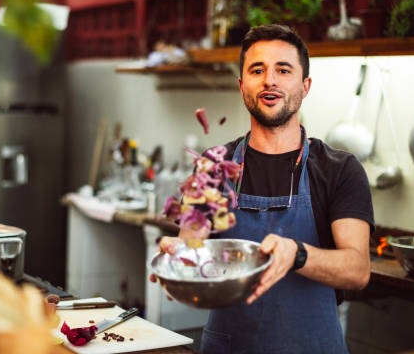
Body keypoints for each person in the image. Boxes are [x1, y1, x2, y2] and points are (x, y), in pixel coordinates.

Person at [152, 24, 374, 354]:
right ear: (242, 86)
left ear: (305, 85)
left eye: (283, 69)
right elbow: (190, 254)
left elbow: (357, 271)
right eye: (257, 70)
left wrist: (297, 254)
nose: (270, 80)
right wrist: (176, 261)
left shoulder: (339, 169)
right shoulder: (213, 168)